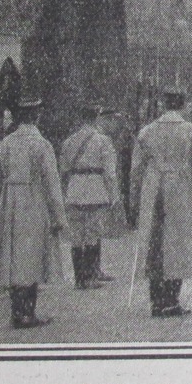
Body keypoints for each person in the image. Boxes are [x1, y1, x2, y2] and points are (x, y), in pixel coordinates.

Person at [0, 95, 67, 330]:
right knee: (30, 255)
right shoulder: (41, 145)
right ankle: (27, 312)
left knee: (13, 255)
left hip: (9, 202)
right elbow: (52, 184)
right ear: (35, 116)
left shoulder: (4, 145)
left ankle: (17, 311)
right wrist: (58, 216)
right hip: (34, 200)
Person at [130, 91, 192, 318]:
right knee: (179, 244)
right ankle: (172, 299)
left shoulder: (146, 132)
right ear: (184, 105)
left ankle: (156, 300)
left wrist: (134, 201)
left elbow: (135, 171)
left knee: (154, 244)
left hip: (153, 189)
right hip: (181, 189)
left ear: (163, 105)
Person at [58, 101, 124, 289]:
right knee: (93, 231)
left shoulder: (69, 141)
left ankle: (80, 277)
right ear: (96, 118)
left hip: (75, 188)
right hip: (95, 188)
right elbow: (110, 173)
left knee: (77, 234)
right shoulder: (103, 141)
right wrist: (114, 195)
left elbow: (63, 169)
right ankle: (92, 274)